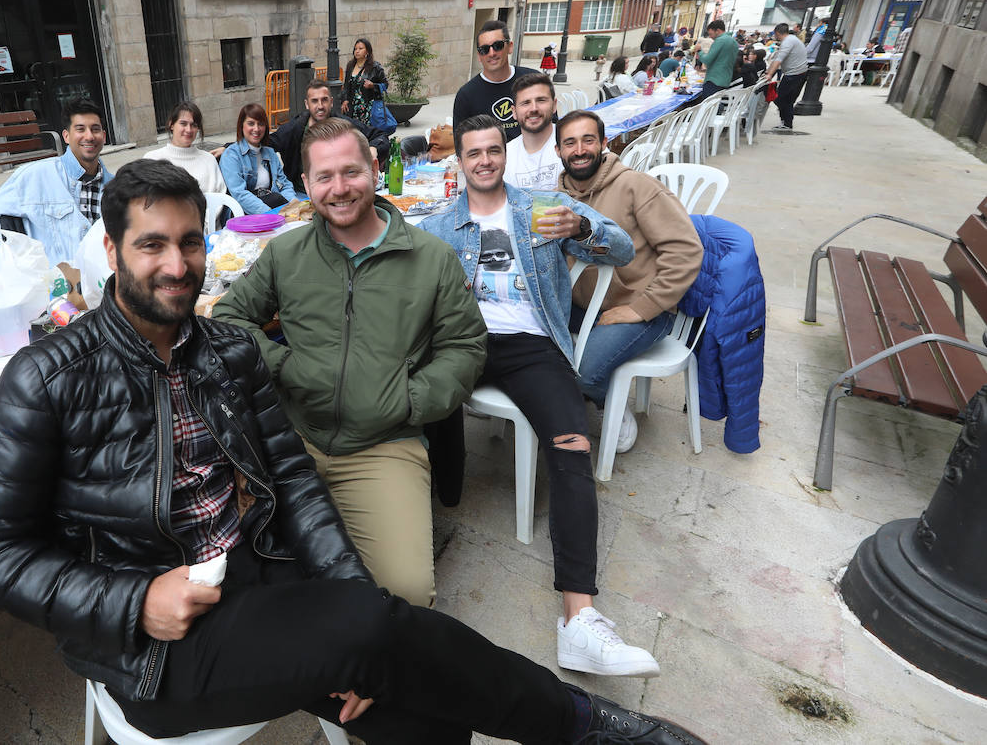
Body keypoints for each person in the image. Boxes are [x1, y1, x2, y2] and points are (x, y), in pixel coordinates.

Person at [0, 159, 708, 745]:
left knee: (415, 704)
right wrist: (132, 602)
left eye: (189, 242)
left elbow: (294, 480)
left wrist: (355, 611)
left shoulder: (225, 348)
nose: (177, 265)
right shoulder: (48, 376)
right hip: (155, 643)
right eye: (152, 245)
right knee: (395, 651)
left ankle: (545, 714)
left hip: (261, 583)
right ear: (112, 252)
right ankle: (579, 726)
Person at [420, 115, 662, 678]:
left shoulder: (543, 206)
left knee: (573, 450)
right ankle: (427, 519)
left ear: (504, 155)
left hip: (533, 345)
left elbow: (622, 247)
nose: (484, 161)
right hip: (466, 342)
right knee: (418, 405)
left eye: (492, 151)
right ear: (458, 160)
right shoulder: (438, 226)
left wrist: (580, 227)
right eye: (472, 153)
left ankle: (579, 620)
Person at [214, 118, 487, 607]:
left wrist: (407, 399)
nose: (338, 189)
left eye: (351, 172)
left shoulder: (432, 259)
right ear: (306, 184)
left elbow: (465, 346)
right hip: (294, 439)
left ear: (375, 168)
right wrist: (284, 367)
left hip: (383, 445)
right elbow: (231, 318)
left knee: (405, 594)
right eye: (324, 177)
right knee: (252, 577)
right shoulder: (286, 253)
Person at [555, 110, 703, 451]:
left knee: (586, 372)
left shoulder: (637, 186)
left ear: (604, 143)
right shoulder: (556, 197)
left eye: (588, 140)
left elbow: (686, 250)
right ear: (558, 151)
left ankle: (611, 403)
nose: (579, 150)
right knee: (525, 346)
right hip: (582, 308)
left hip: (640, 309)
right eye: (570, 142)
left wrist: (641, 308)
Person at [0, 99, 112, 265]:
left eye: (95, 129)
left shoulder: (115, 188)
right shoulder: (33, 176)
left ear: (104, 137)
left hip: (98, 283)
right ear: (66, 136)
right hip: (53, 284)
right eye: (80, 129)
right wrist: (16, 262)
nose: (89, 136)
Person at [272, 79, 384, 191]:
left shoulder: (345, 124)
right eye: (314, 101)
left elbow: (379, 135)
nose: (320, 106)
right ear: (307, 104)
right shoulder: (294, 128)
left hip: (340, 190)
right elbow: (267, 143)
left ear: (331, 102)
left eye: (324, 100)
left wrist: (373, 148)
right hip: (301, 193)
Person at [452, 19, 533, 138]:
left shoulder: (533, 81)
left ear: (510, 47)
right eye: (484, 49)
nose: (491, 53)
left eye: (497, 46)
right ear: (479, 55)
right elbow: (461, 143)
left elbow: (551, 125)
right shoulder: (466, 95)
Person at [218, 103, 297, 213]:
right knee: (276, 199)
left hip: (273, 207)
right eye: (251, 123)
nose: (256, 129)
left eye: (260, 124)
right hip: (243, 213)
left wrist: (294, 206)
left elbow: (284, 185)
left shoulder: (270, 153)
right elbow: (239, 194)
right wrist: (270, 214)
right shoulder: (231, 155)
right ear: (241, 126)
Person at [144, 100, 226, 194]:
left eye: (194, 125)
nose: (188, 130)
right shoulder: (152, 159)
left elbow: (220, 198)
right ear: (171, 125)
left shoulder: (209, 160)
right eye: (183, 123)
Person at [503, 72, 563, 191]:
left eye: (541, 100)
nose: (534, 108)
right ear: (514, 112)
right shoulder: (504, 156)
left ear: (554, 105)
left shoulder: (576, 143)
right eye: (525, 103)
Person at [764, 23, 809, 132]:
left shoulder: (788, 42)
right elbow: (776, 60)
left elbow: (779, 59)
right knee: (787, 99)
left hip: (794, 74)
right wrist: (768, 71)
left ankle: (786, 123)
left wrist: (769, 75)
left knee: (780, 98)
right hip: (796, 73)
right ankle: (786, 122)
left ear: (777, 33)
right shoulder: (792, 39)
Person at [340, 37, 388, 129]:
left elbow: (385, 84)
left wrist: (373, 85)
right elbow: (346, 86)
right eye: (355, 49)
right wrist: (345, 100)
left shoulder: (375, 67)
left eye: (360, 49)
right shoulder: (350, 66)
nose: (357, 51)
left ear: (367, 52)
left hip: (369, 107)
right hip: (353, 107)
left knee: (367, 132)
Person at [692, 20, 739, 100]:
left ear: (717, 31)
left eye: (711, 34)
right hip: (725, 79)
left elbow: (707, 60)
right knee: (716, 105)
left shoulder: (720, 40)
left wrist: (699, 51)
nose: (710, 37)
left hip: (714, 79)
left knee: (708, 106)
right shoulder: (733, 41)